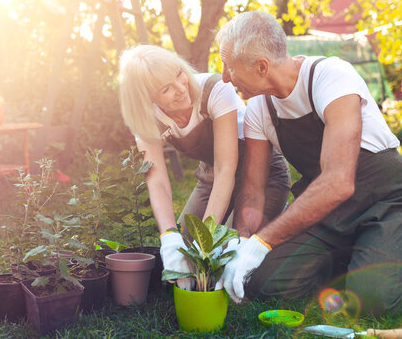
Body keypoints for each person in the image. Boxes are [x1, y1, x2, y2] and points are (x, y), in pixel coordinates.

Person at [214, 11, 402, 317]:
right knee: (262, 281)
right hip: (325, 213)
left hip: (383, 202)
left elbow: (338, 181)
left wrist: (262, 244)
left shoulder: (332, 77)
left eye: (230, 67)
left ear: (261, 66)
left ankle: (396, 244)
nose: (224, 77)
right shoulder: (259, 108)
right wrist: (242, 243)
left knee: (373, 300)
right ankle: (352, 254)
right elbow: (254, 189)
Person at [118, 45, 290, 290]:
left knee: (222, 255)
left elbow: (225, 169)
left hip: (262, 177)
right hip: (212, 178)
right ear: (147, 98)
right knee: (185, 252)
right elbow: (156, 180)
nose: (181, 89)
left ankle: (276, 216)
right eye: (166, 88)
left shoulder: (214, 89)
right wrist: (169, 237)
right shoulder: (145, 118)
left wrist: (207, 235)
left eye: (178, 74)